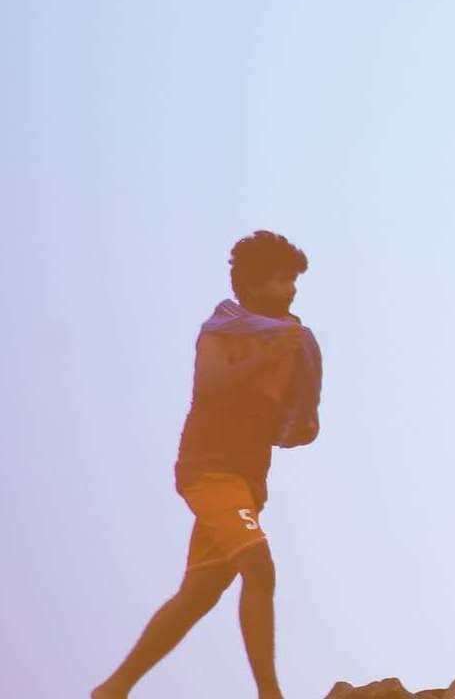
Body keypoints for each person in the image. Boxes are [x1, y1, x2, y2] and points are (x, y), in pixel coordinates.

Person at [94, 231, 322, 699]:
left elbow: (290, 425)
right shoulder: (222, 331)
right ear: (252, 284)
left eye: (293, 279)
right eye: (281, 279)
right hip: (209, 470)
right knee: (259, 568)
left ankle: (113, 688)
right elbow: (212, 385)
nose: (292, 289)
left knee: (197, 595)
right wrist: (269, 356)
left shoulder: (295, 342)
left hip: (248, 479)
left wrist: (299, 424)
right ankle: (270, 694)